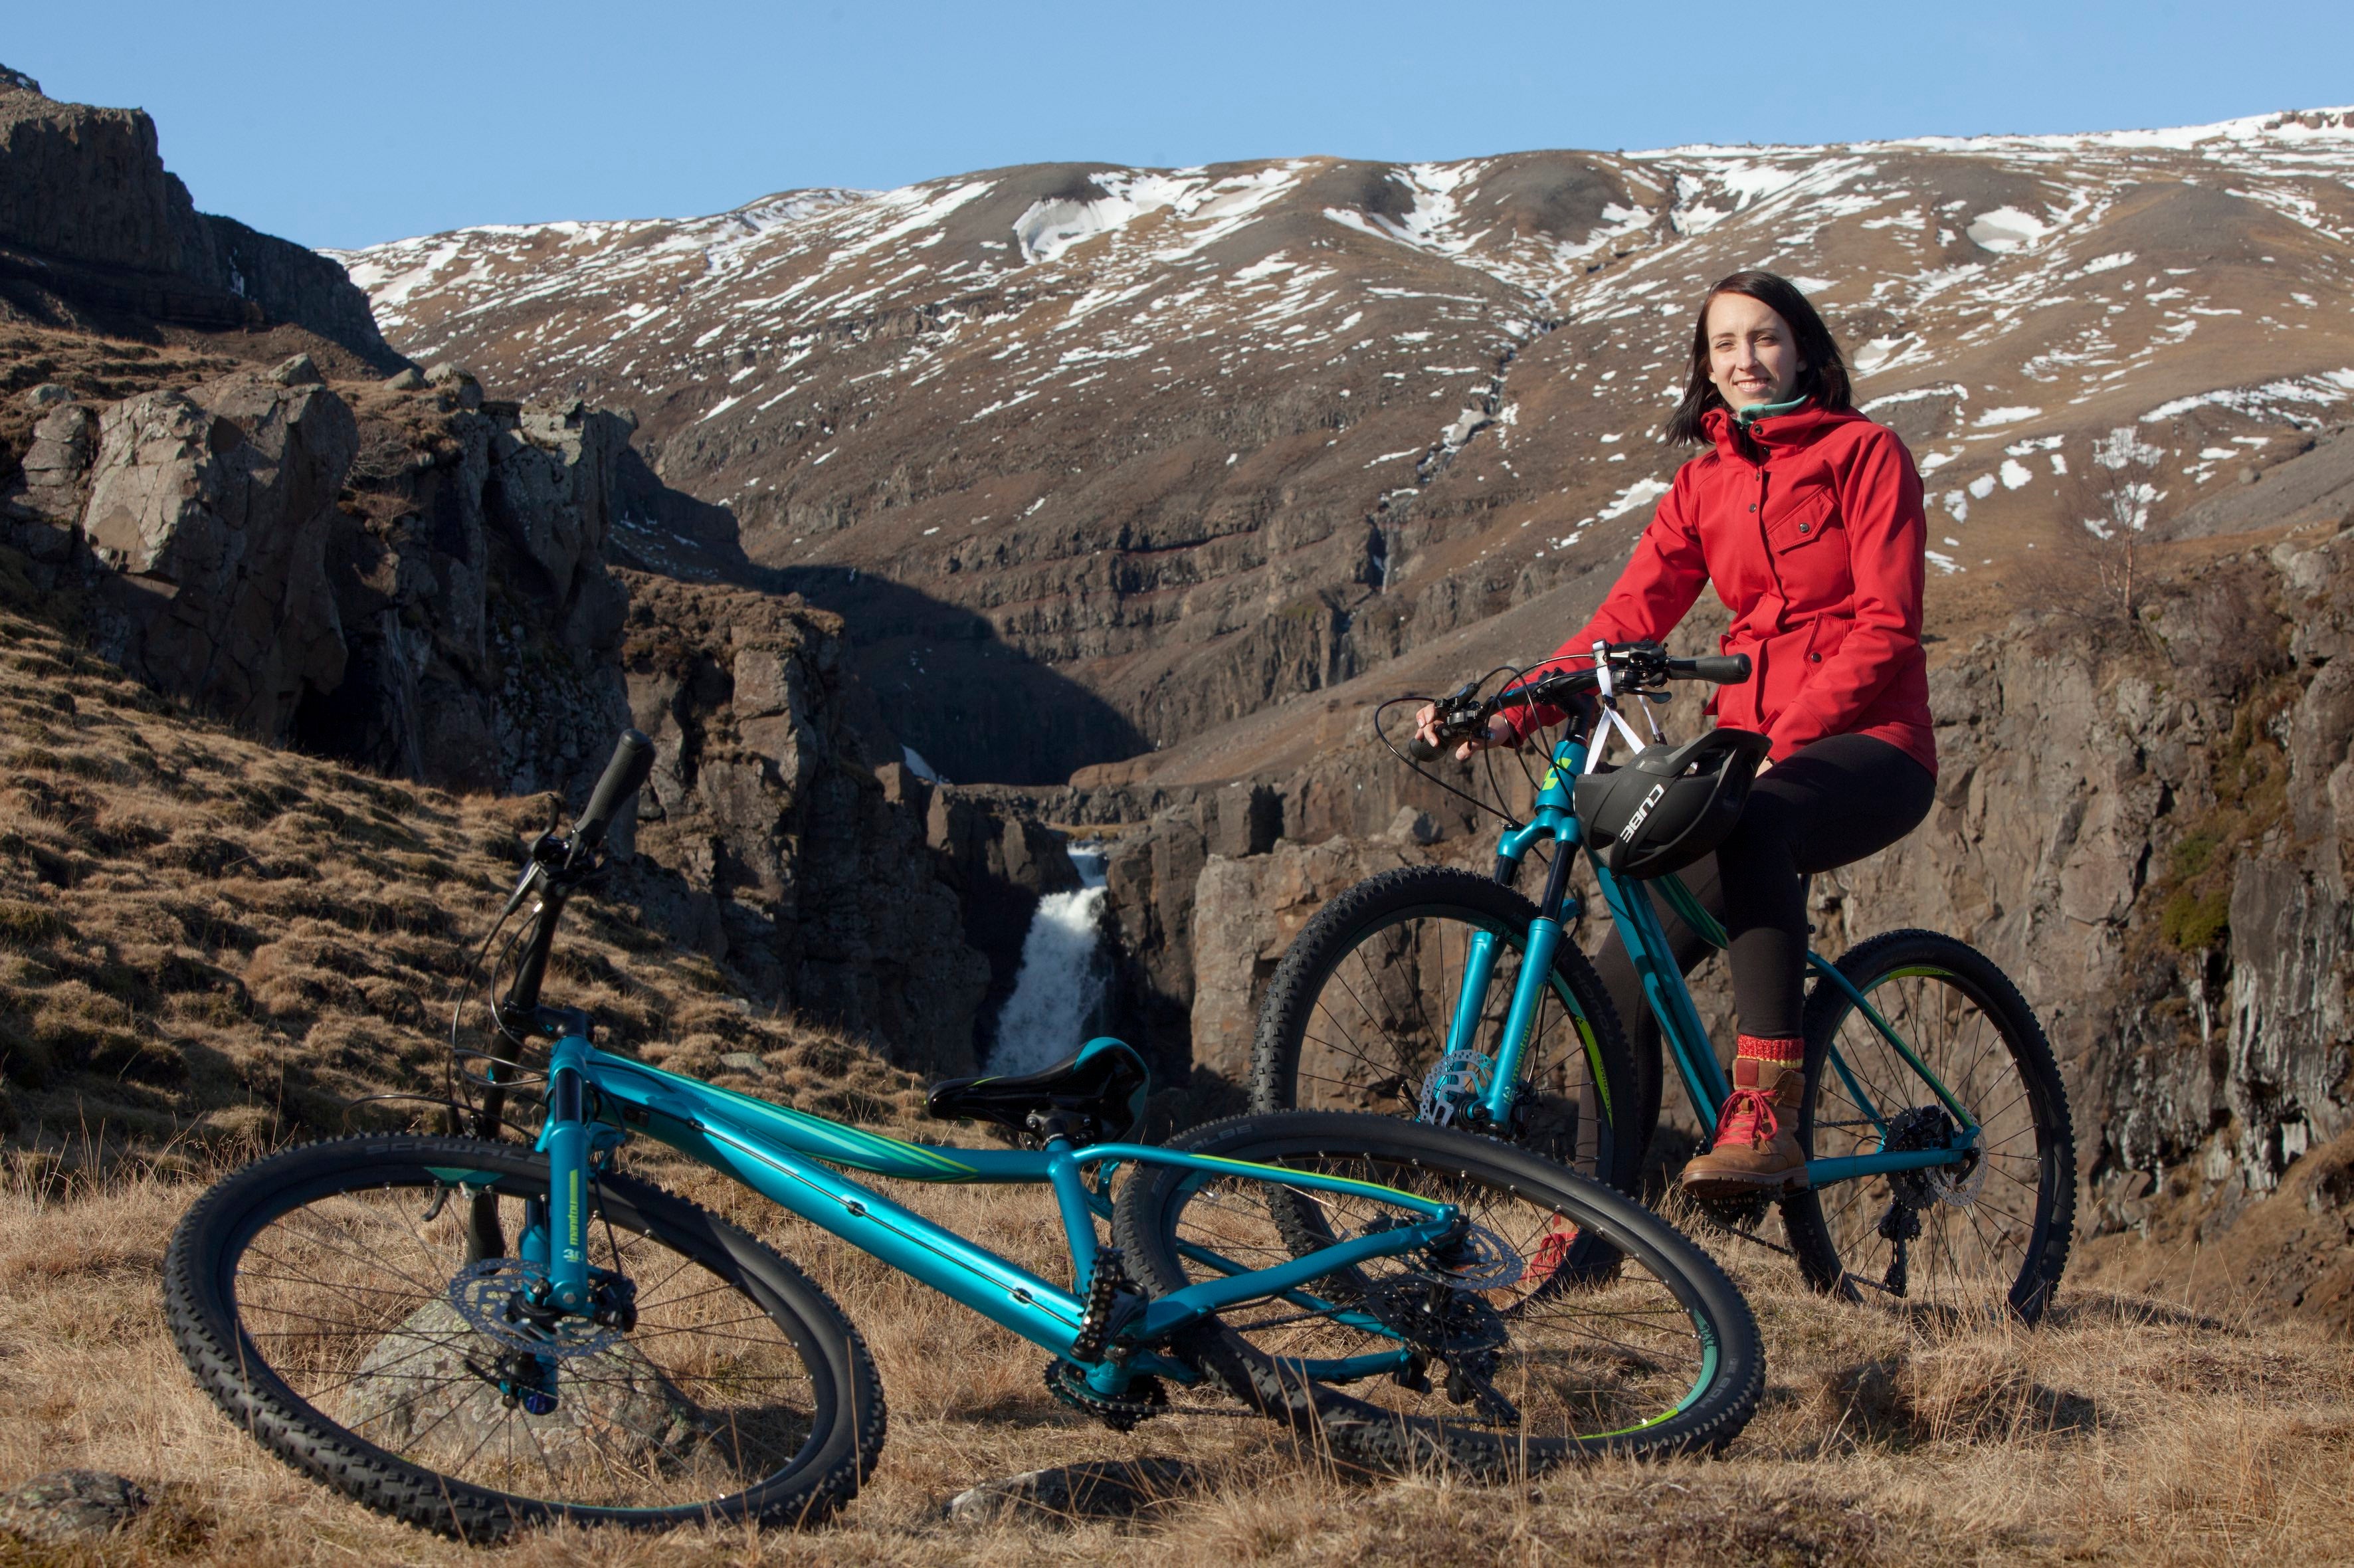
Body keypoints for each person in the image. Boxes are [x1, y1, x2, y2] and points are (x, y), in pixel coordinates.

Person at [1417, 269, 1936, 1197]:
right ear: (1706, 366)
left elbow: (1887, 627)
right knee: (1615, 990)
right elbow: (1624, 621)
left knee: (1765, 822)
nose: (1746, 358)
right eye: (1725, 344)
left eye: (1765, 337)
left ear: (1806, 350)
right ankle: (1593, 1227)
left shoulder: (1867, 454)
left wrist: (1788, 733)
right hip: (1749, 761)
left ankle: (1766, 1116)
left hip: (1872, 745)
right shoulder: (1703, 486)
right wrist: (1515, 707)